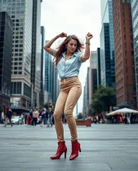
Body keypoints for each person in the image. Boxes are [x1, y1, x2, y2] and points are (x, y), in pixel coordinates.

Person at [43, 32, 93, 160]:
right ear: (66, 45)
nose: (73, 47)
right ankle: (61, 146)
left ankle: (75, 144)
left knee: (68, 112)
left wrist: (87, 41)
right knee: (56, 114)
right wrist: (58, 36)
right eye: (71, 44)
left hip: (74, 85)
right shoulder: (59, 55)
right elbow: (46, 47)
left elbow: (86, 56)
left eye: (75, 45)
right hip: (64, 87)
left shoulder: (77, 57)